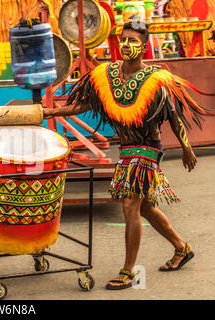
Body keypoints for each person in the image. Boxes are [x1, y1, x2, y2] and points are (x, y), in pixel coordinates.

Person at [44, 20, 213, 290]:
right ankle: (181, 247)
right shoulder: (107, 74)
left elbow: (173, 115)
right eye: (123, 40)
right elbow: (86, 104)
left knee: (129, 206)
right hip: (126, 151)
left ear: (144, 47)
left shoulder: (157, 79)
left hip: (147, 149)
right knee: (144, 207)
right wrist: (52, 112)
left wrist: (186, 147)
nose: (126, 45)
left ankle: (128, 270)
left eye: (133, 41)